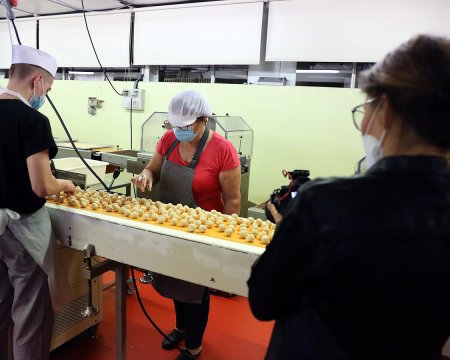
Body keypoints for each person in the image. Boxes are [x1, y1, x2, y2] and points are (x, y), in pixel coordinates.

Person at [247, 34, 450, 360]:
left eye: (366, 110)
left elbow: (263, 299)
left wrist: (285, 232)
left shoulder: (325, 204)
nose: (364, 125)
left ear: (386, 110)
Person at [132, 90, 241, 359]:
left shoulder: (223, 150)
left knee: (195, 290)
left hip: (202, 232)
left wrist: (223, 243)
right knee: (172, 280)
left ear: (203, 120)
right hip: (170, 226)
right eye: (175, 125)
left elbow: (233, 199)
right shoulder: (169, 139)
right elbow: (154, 169)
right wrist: (146, 176)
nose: (178, 131)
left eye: (185, 126)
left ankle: (194, 345)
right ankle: (180, 328)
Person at [0, 45, 75, 360]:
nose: (45, 95)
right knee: (30, 313)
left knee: (1, 305)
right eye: (48, 88)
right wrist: (64, 184)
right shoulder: (33, 121)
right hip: (22, 231)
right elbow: (42, 185)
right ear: (38, 82)